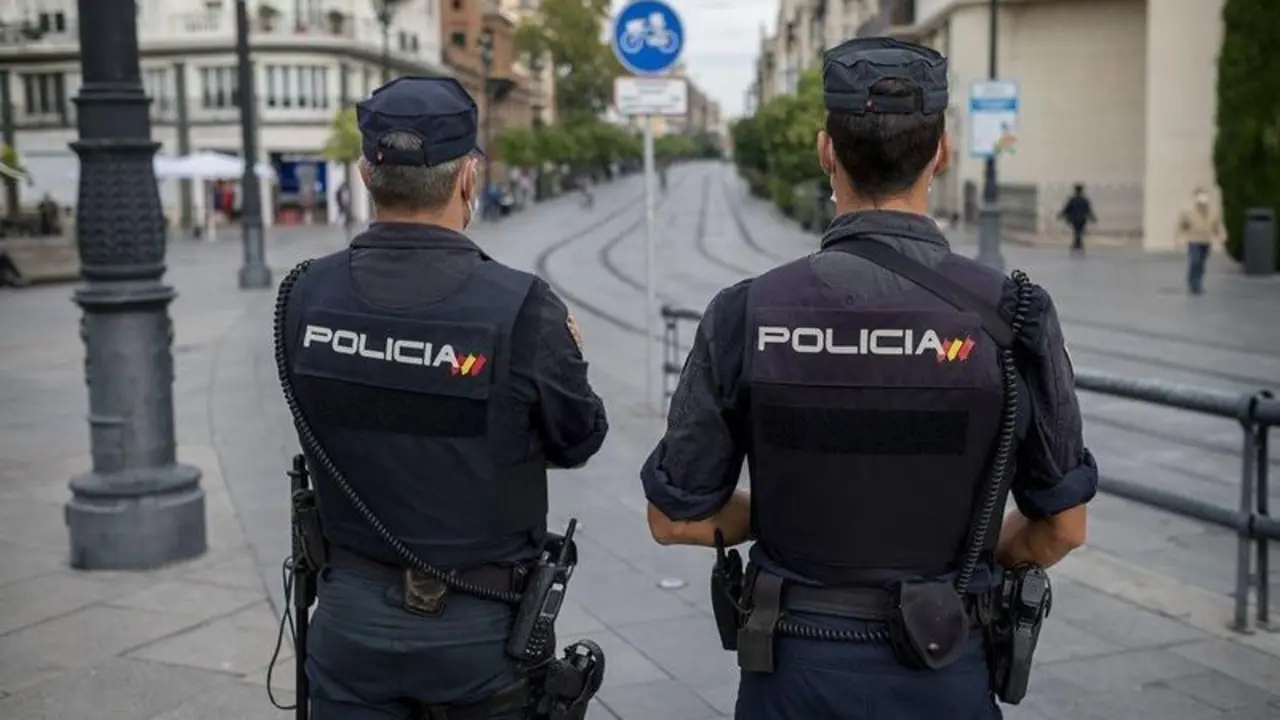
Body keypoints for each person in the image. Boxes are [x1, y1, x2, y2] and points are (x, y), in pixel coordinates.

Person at [640, 38, 1098, 720]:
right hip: (945, 668)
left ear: (827, 151)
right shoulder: (1013, 314)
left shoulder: (747, 312)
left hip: (792, 673)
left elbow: (674, 519)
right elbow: (1062, 529)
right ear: (941, 152)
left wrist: (808, 516)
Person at [276, 76, 609, 719]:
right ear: (468, 179)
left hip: (347, 623)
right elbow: (579, 439)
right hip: (480, 635)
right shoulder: (522, 305)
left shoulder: (302, 294)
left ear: (367, 176)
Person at [1175, 187, 1225, 295]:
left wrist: (1222, 235)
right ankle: (1194, 283)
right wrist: (1179, 238)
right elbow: (1181, 226)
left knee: (1201, 263)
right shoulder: (1188, 212)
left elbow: (1217, 225)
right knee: (1195, 261)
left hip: (1206, 241)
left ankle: (1198, 281)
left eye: (1204, 196)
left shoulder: (1212, 212)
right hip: (1194, 240)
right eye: (1200, 196)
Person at [1057, 183, 1096, 257]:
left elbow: (1066, 209)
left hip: (1074, 219)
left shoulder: (1072, 199)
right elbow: (1088, 210)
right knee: (1079, 232)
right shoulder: (1085, 200)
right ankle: (1078, 246)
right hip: (1082, 219)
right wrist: (1093, 218)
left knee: (1076, 232)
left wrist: (1060, 215)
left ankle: (1076, 246)